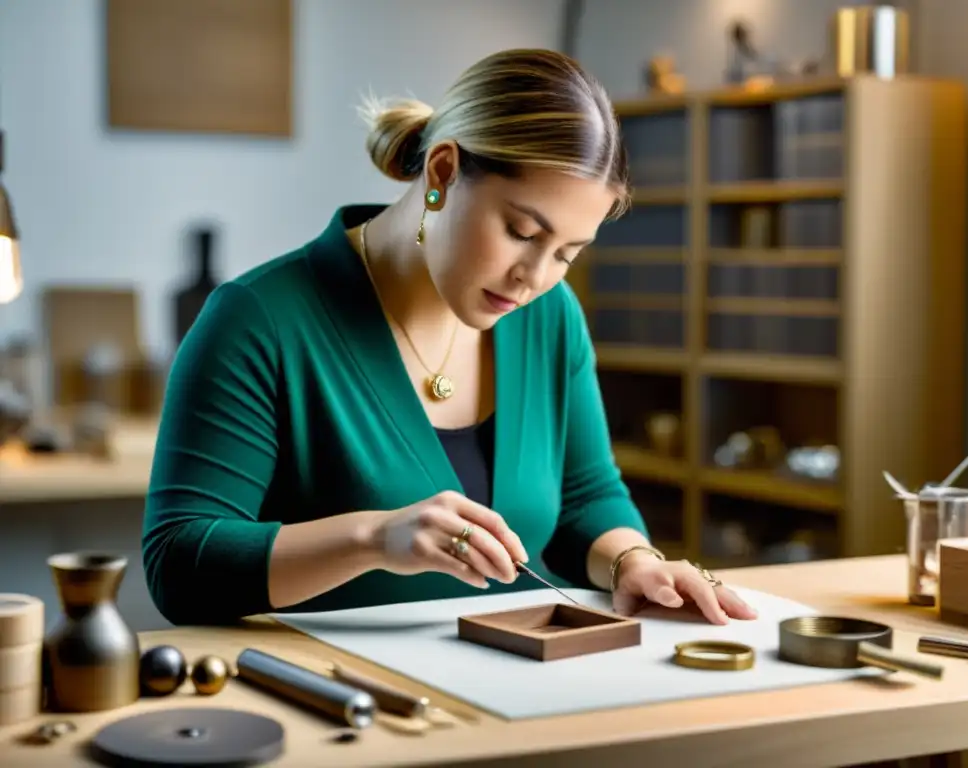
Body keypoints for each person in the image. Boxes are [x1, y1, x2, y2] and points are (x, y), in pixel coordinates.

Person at [141, 48, 758, 628]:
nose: (535, 277)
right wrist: (374, 538)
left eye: (568, 253)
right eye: (521, 231)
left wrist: (635, 563)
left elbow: (584, 496)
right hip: (338, 708)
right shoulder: (258, 319)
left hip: (523, 692)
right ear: (442, 171)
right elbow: (177, 563)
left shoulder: (550, 316)